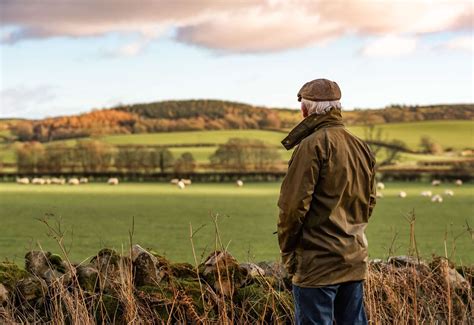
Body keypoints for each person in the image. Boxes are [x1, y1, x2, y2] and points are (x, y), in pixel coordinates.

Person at [277, 78, 377, 324]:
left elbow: (292, 209)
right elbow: (369, 203)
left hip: (317, 266)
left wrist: (289, 250)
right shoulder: (360, 146)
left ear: (305, 110)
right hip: (353, 260)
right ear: (337, 108)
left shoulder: (311, 146)